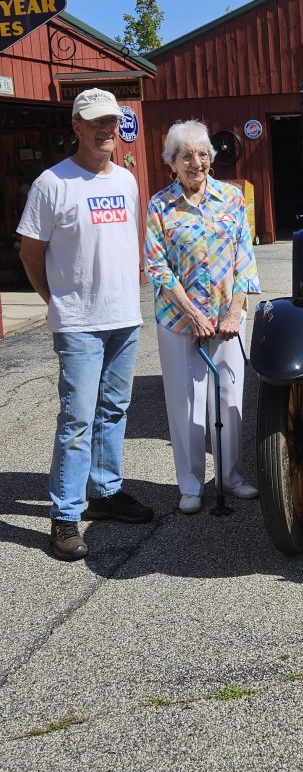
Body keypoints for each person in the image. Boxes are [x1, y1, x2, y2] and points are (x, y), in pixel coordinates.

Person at [18, 88, 153, 562]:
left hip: (124, 317)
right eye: (96, 121)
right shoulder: (53, 183)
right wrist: (54, 301)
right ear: (75, 125)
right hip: (78, 323)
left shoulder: (128, 181)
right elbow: (30, 251)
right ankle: (65, 515)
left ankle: (105, 492)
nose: (106, 130)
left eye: (112, 122)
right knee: (76, 419)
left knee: (113, 410)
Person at [143, 120, 260, 514]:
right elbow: (157, 267)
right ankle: (190, 484)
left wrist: (234, 310)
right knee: (185, 403)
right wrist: (192, 313)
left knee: (228, 399)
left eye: (202, 154)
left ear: (212, 157)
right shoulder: (160, 204)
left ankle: (231, 476)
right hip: (179, 320)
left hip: (227, 320)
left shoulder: (232, 198)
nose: (196, 162)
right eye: (186, 155)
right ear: (171, 162)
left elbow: (245, 257)